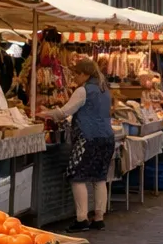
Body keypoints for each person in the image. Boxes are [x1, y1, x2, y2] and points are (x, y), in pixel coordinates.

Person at [39, 57, 115, 232]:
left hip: (88, 138)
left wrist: (46, 114)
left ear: (85, 74)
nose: (74, 78)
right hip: (107, 138)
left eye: (76, 75)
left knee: (77, 175)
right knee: (99, 177)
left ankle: (81, 219)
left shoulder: (84, 90)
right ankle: (99, 218)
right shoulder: (104, 90)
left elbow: (65, 112)